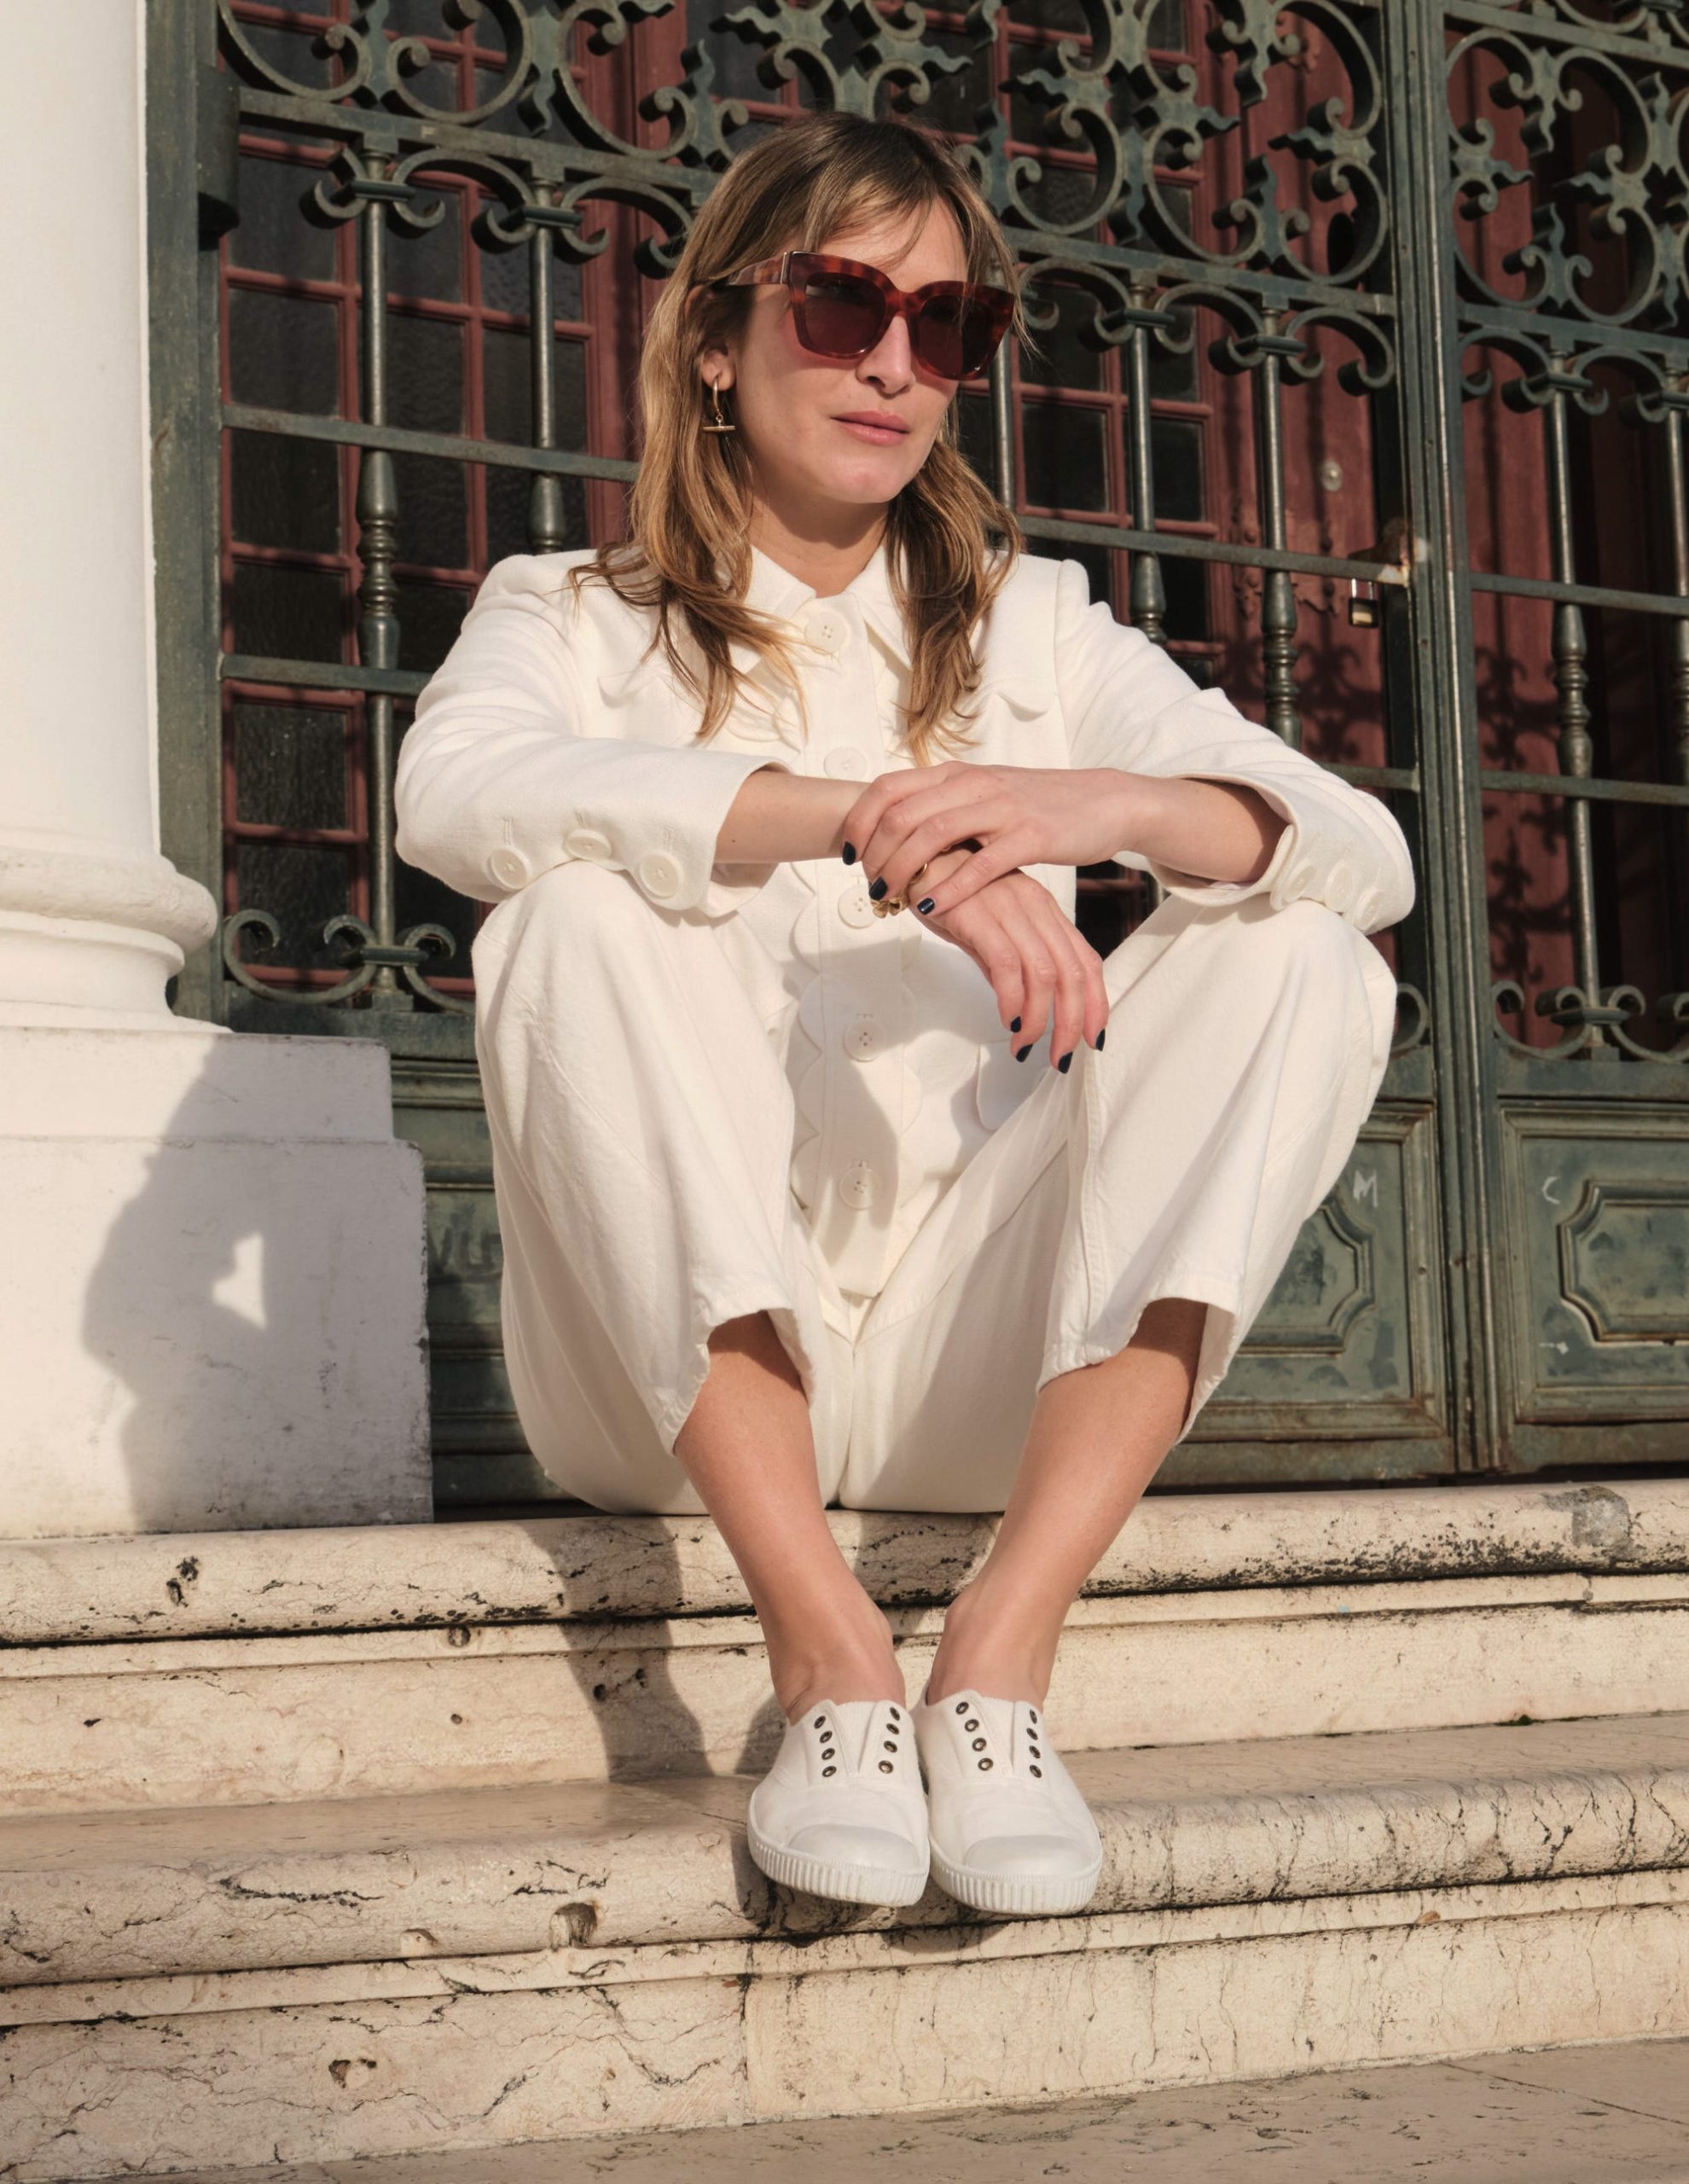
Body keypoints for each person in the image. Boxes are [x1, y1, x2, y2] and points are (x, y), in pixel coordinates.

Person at [395, 112, 1413, 1920]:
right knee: (567, 908)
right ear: (717, 336)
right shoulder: (569, 615)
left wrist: (1098, 805)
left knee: (1305, 948)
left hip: (970, 1358)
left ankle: (999, 1660)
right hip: (661, 1384)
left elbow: (1367, 849)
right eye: (841, 302)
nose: (892, 361)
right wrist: (867, 820)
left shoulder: (1036, 627)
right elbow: (453, 797)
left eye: (945, 324)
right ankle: (829, 1656)